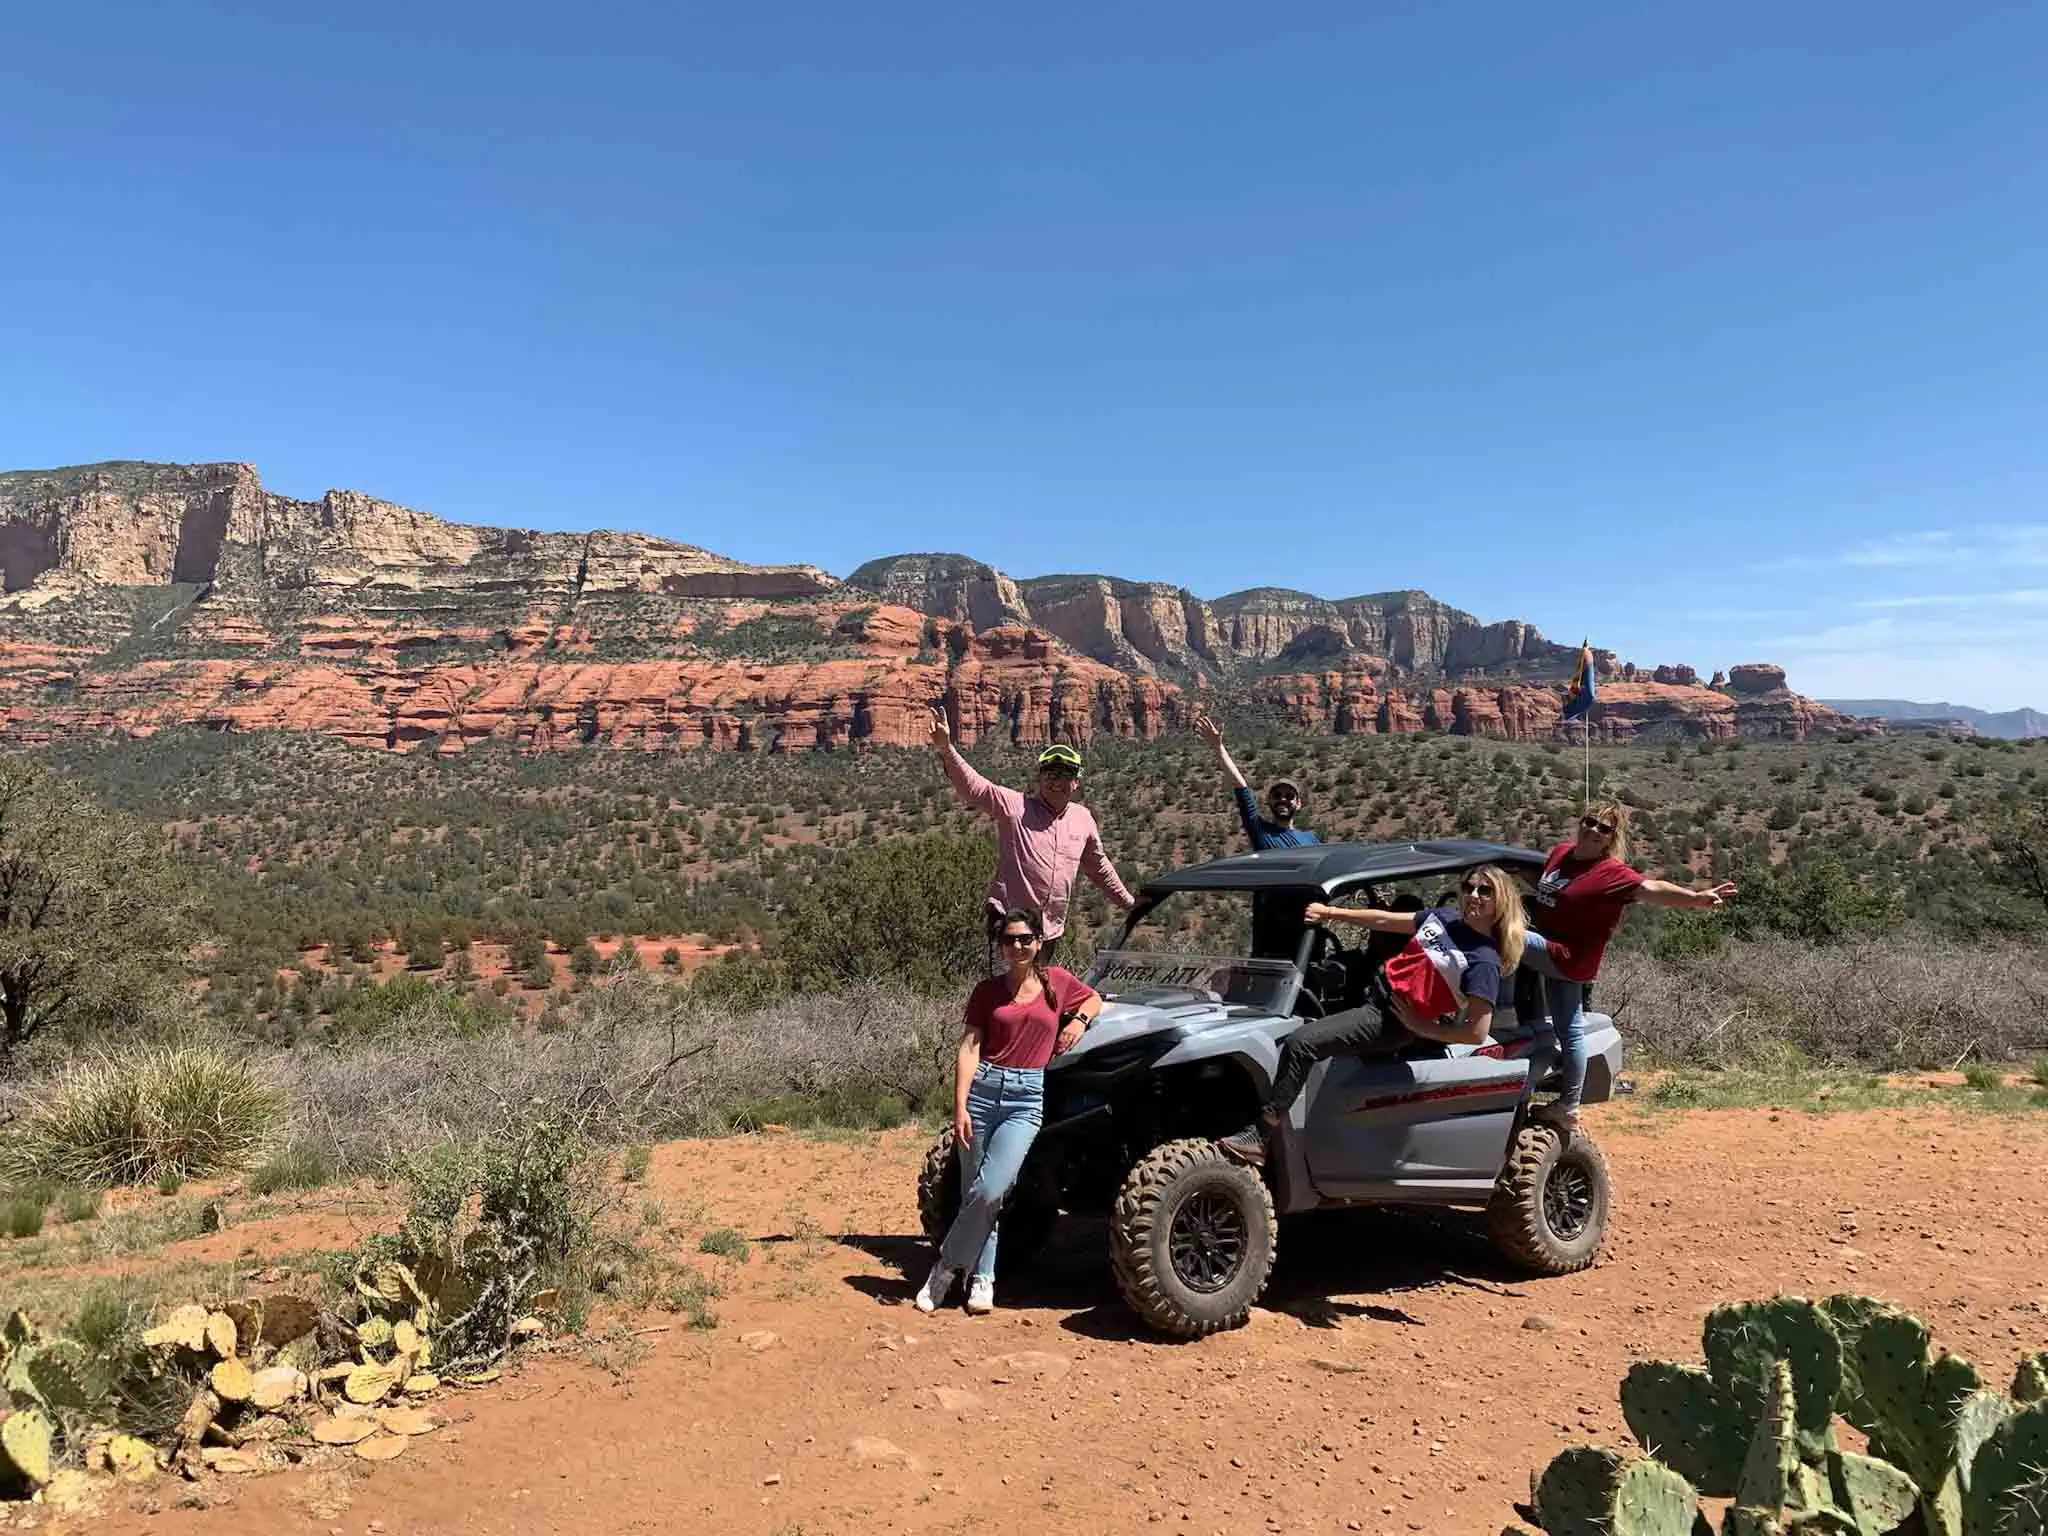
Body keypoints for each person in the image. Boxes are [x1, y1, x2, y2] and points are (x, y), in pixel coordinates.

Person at [1217, 866, 1527, 1166]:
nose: (1473, 895)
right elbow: (1384, 920)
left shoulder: (1483, 960)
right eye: (1468, 887)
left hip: (1388, 1020)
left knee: (1302, 1043)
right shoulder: (1447, 918)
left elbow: (1476, 1031)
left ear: (1500, 900)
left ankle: (1260, 1135)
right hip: (1373, 992)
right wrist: (1330, 914)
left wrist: (1422, 1027)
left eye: (1484, 891)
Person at [916, 907, 1103, 1315]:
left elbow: (1093, 997)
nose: (1017, 946)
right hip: (984, 1090)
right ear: (1000, 945)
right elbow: (969, 1047)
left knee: (993, 1188)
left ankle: (946, 1266)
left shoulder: (1057, 984)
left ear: (1039, 942)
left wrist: (1079, 1023)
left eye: (1024, 939)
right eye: (1008, 940)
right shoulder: (987, 991)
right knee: (973, 1193)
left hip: (1026, 1097)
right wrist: (960, 1105)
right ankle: (983, 1278)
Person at [1521, 799, 1736, 1132]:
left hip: (1566, 956)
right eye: (1589, 822)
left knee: (1504, 933)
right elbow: (1552, 888)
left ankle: (1480, 1013)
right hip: (1551, 948)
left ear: (1611, 837)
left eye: (1603, 828)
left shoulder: (1611, 873)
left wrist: (1695, 898)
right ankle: (1567, 1105)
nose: (1593, 830)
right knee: (1569, 1027)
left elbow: (1651, 888)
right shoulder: (1561, 853)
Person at [928, 708, 1136, 969]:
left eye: (1065, 775)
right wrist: (947, 749)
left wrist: (1130, 903)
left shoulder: (1083, 818)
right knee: (1008, 998)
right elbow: (975, 787)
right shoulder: (1015, 805)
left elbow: (1099, 868)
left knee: (1035, 994)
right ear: (1039, 777)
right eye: (1050, 773)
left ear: (1076, 782)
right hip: (1010, 923)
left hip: (1049, 929)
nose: (1056, 781)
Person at [1192, 714, 1319, 849]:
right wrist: (1218, 747)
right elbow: (1240, 787)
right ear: (1269, 801)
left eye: (1289, 796)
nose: (1283, 799)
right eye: (1277, 795)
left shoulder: (1311, 840)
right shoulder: (1260, 830)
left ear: (1298, 804)